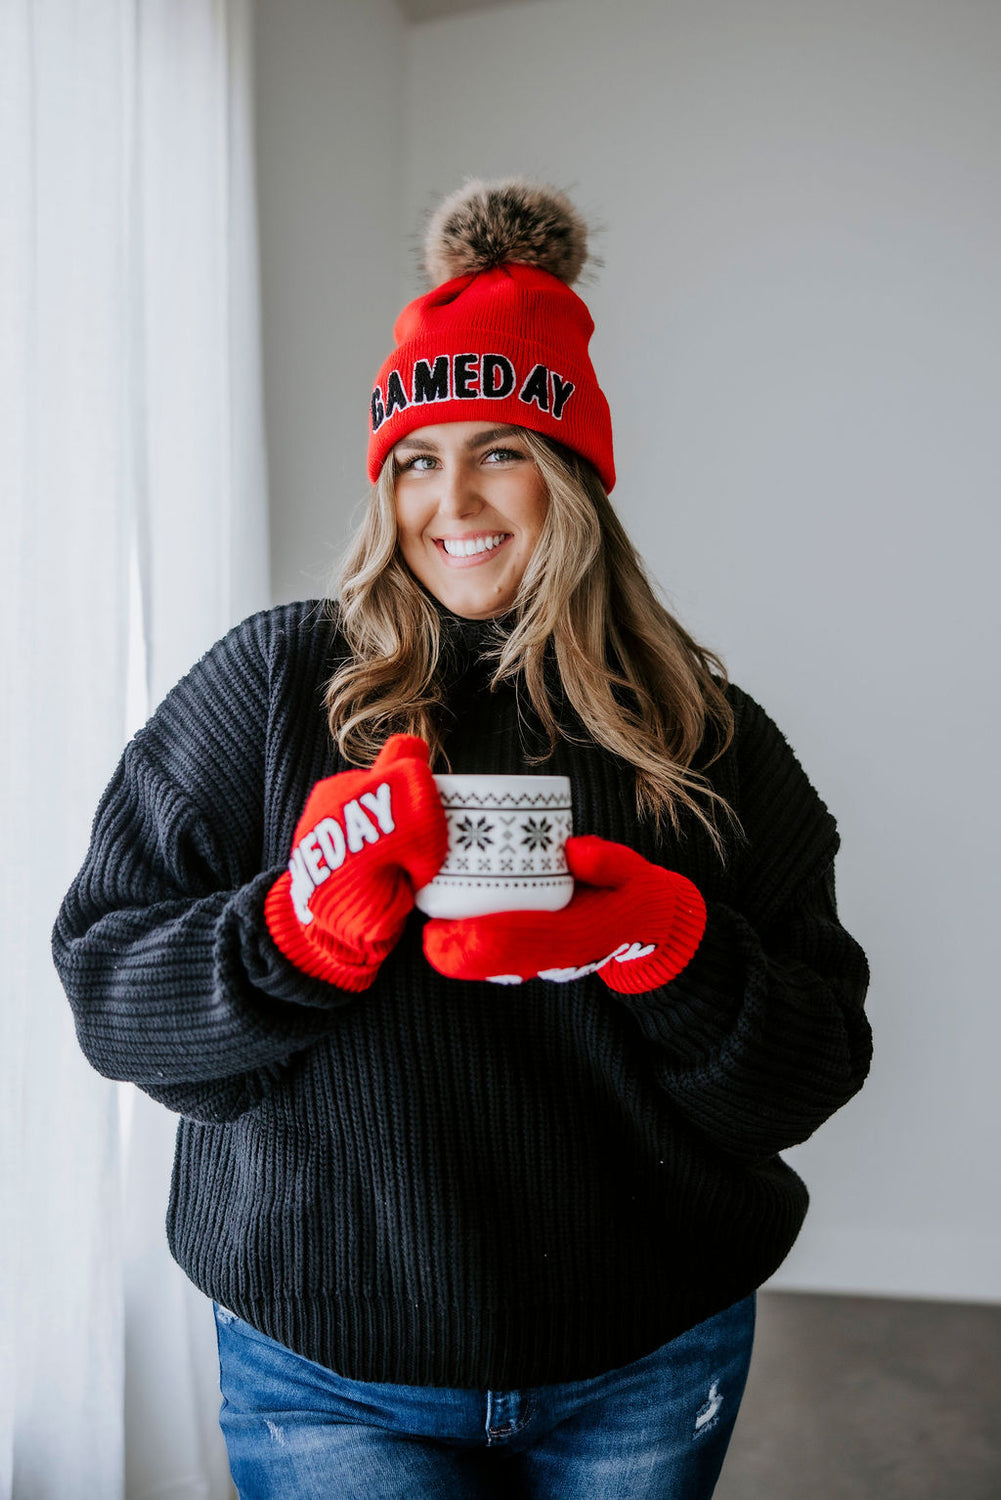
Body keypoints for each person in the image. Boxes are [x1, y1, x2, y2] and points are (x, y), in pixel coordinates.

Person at [52, 179, 872, 1499]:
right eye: (417, 458)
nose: (455, 499)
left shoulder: (697, 729)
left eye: (500, 449)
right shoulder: (272, 686)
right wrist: (286, 936)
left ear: (572, 474)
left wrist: (672, 949)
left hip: (645, 1347)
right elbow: (106, 994)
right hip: (326, 1359)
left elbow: (812, 1068)